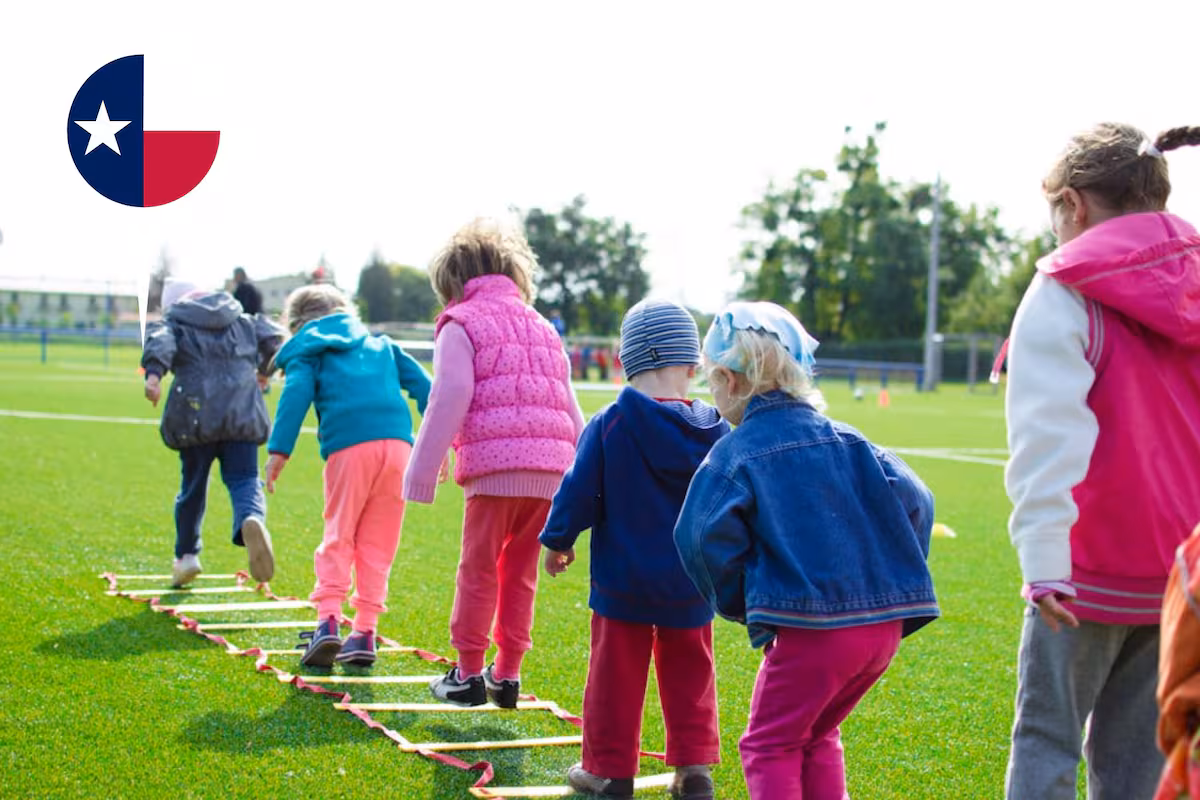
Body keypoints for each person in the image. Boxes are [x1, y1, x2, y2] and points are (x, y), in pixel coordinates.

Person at [1002, 123, 1200, 800]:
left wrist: (1043, 560)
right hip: (1183, 571)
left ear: (1074, 206)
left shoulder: (1064, 288)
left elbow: (1046, 437)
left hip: (1086, 568)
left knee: (1047, 741)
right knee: (1139, 757)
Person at [673, 301, 939, 800]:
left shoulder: (734, 452)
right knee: (817, 734)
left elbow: (699, 536)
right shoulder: (853, 439)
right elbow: (918, 500)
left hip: (814, 632)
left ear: (731, 380)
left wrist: (742, 600)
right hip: (882, 631)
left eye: (711, 382)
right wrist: (891, 574)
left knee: (769, 744)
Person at [540, 299, 729, 800]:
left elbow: (578, 489)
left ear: (624, 361)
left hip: (622, 581)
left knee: (614, 676)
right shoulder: (718, 430)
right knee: (692, 674)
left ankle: (609, 770)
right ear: (692, 365)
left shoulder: (610, 423)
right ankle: (694, 771)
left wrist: (558, 540)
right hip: (692, 581)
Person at [403, 217, 585, 707]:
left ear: (453, 282)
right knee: (519, 573)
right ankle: (506, 674)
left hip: (494, 470)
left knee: (478, 569)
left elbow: (451, 393)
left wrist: (423, 468)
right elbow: (570, 406)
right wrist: (586, 479)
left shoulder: (459, 323)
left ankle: (466, 674)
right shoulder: (543, 325)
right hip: (551, 472)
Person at [263, 283, 431, 667]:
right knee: (379, 542)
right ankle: (365, 632)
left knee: (339, 533)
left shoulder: (309, 348)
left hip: (350, 447)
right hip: (399, 448)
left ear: (297, 323)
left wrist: (279, 450)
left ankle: (328, 623)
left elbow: (297, 393)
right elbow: (427, 389)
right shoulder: (382, 344)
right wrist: (439, 443)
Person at [141, 277, 284, 589]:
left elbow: (160, 341)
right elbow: (275, 339)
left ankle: (187, 556)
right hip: (242, 412)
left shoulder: (175, 322)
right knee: (245, 478)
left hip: (195, 415)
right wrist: (264, 371)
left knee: (193, 486)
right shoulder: (241, 318)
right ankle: (251, 518)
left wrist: (153, 376)